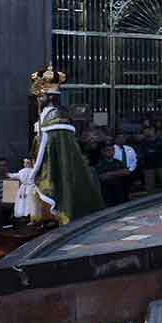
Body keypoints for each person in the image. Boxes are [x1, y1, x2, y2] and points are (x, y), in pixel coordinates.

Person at [26, 65, 104, 225]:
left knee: (55, 184)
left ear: (50, 96)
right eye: (37, 97)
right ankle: (45, 217)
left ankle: (58, 215)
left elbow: (52, 142)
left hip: (53, 160)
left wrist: (36, 168)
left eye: (41, 97)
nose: (38, 100)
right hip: (44, 159)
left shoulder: (56, 114)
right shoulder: (44, 114)